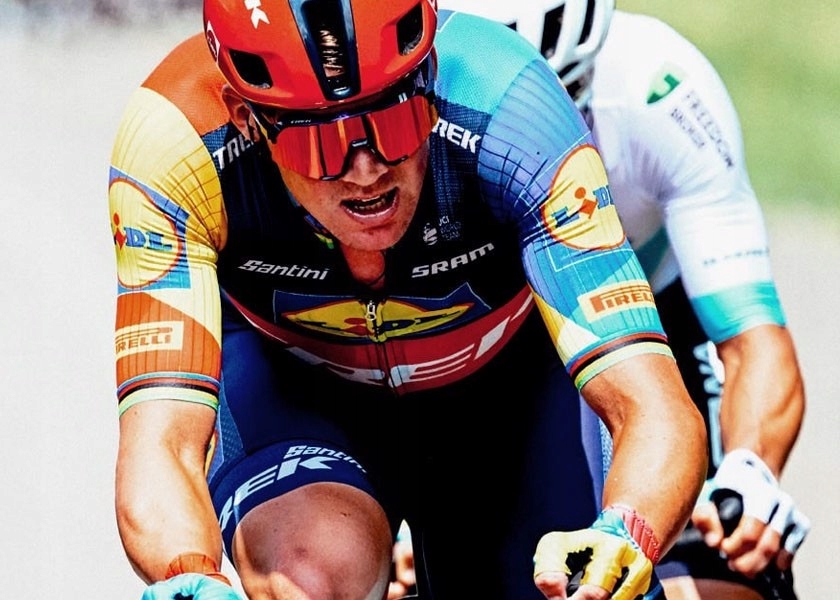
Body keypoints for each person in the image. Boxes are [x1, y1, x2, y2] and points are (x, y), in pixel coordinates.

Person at [108, 1, 708, 599]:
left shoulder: (510, 108)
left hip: (506, 393)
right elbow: (163, 441)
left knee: (581, 584)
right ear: (246, 119)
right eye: (321, 145)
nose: (366, 171)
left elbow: (653, 404)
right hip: (296, 391)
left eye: (395, 124)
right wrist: (189, 575)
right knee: (312, 576)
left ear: (430, 79)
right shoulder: (179, 142)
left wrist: (627, 531)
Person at [389, 1, 810, 599]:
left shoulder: (657, 87)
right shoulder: (402, 120)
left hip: (647, 317)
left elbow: (749, 337)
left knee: (740, 570)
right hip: (479, 337)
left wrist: (749, 472)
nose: (542, 135)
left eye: (566, 101)